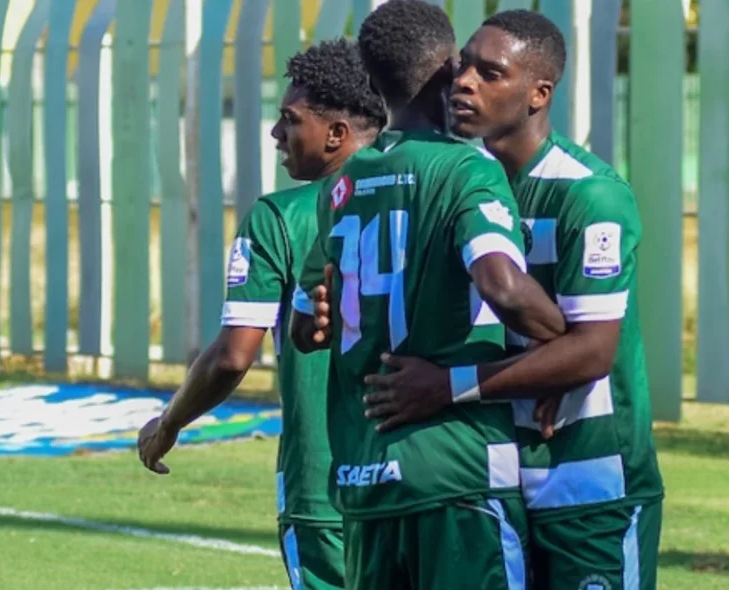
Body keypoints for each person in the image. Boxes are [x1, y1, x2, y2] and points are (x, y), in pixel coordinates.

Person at [359, 10, 666, 590]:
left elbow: (594, 352)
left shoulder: (590, 195)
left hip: (588, 482)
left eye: (490, 73)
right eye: (463, 66)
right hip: (493, 477)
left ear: (538, 93)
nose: (464, 82)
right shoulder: (458, 181)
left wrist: (445, 386)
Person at [288, 1, 568, 588]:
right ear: (447, 67)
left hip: (366, 478)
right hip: (456, 472)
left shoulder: (343, 181)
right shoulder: (467, 170)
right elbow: (502, 285)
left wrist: (324, 319)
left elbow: (305, 327)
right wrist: (567, 349)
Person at [135, 39, 386, 590]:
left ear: (337, 134)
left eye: (289, 120)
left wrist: (168, 422)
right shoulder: (430, 195)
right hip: (421, 478)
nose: (276, 135)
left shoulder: (281, 216)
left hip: (326, 484)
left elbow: (232, 356)